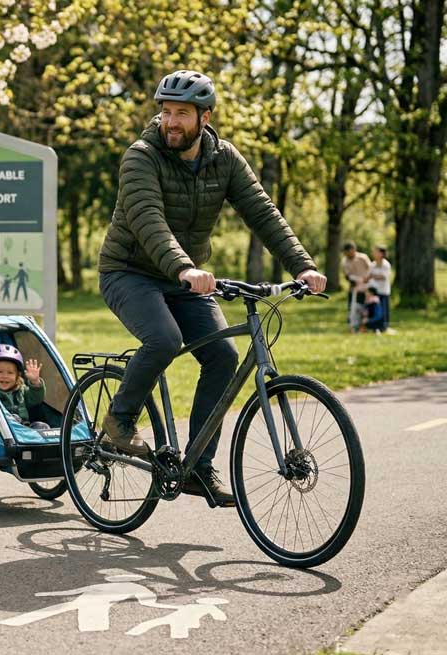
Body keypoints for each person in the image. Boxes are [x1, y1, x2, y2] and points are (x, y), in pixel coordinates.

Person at [96, 70, 327, 507]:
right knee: (164, 339)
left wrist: (303, 266)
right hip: (129, 271)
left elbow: (263, 213)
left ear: (205, 116)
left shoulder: (225, 159)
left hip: (184, 277)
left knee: (222, 355)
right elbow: (149, 220)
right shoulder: (141, 156)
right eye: (165, 112)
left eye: (181, 113)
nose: (171, 122)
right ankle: (119, 421)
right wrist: (183, 267)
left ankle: (198, 469)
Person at [0, 344, 51, 430]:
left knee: (42, 426)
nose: (5, 376)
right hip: (1, 431)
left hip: (23, 431)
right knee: (13, 418)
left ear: (17, 376)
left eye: (10, 373)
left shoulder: (21, 390)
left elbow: (36, 398)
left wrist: (35, 381)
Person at [341, 241, 371, 328]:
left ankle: (365, 323)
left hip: (365, 286)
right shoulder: (345, 261)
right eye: (346, 253)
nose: (348, 254)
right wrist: (353, 282)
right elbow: (347, 275)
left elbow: (370, 268)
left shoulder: (363, 257)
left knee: (365, 305)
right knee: (353, 305)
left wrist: (366, 280)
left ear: (354, 250)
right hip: (354, 287)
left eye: (349, 252)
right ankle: (353, 322)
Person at [368, 245, 392, 331]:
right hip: (374, 291)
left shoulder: (386, 265)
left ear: (381, 254)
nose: (373, 253)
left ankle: (384, 327)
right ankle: (375, 326)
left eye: (376, 252)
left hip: (383, 291)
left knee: (384, 310)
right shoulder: (372, 264)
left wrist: (372, 276)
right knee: (375, 310)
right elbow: (368, 276)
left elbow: (383, 276)